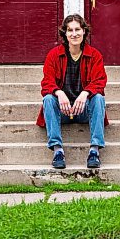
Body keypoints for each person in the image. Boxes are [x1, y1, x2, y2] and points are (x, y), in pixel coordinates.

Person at [36, 14, 108, 169]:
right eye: (70, 30)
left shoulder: (95, 55)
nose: (74, 34)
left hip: (84, 110)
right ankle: (57, 150)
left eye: (77, 29)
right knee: (48, 99)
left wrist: (85, 93)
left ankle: (94, 151)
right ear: (65, 33)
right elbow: (46, 82)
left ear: (84, 31)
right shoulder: (54, 55)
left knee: (99, 99)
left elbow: (100, 81)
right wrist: (58, 92)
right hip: (62, 110)